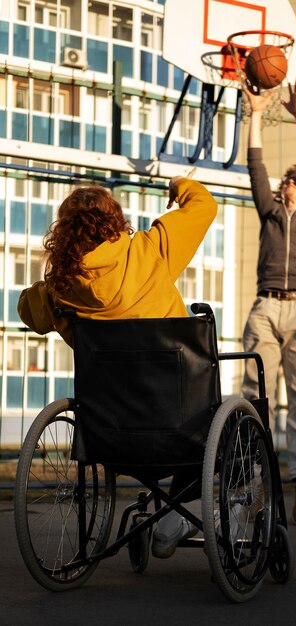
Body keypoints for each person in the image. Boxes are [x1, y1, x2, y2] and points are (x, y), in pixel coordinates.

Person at [18, 173, 217, 557]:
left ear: (65, 232)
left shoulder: (60, 288)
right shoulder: (150, 249)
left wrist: (53, 280)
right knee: (225, 415)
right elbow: (204, 206)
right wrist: (179, 186)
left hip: (112, 432)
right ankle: (178, 517)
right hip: (182, 422)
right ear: (116, 221)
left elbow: (28, 311)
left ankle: (167, 520)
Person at [241, 77, 296, 526]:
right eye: (288, 179)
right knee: (256, 397)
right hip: (267, 307)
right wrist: (256, 113)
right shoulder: (271, 213)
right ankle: (255, 481)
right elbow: (255, 166)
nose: (291, 181)